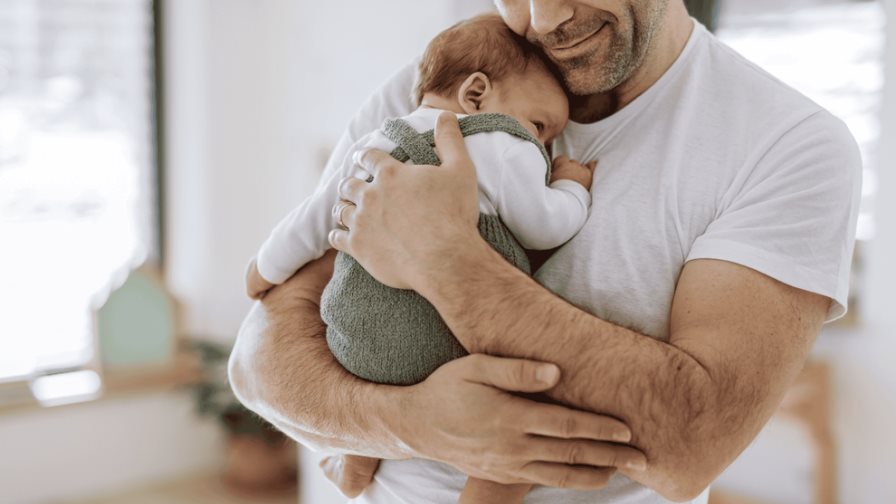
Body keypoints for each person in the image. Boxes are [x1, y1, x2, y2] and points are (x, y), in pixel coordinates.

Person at [229, 1, 862, 502]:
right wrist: (405, 420)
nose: (543, 19)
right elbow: (256, 364)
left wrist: (443, 257)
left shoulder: (788, 144)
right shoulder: (448, 80)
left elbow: (693, 446)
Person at [243, 14, 610, 503]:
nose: (543, 145)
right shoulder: (500, 142)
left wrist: (263, 269)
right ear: (476, 94)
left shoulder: (376, 141)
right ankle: (486, 491)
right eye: (541, 126)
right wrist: (571, 185)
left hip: (356, 340)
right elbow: (546, 224)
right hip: (445, 341)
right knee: (524, 400)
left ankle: (358, 455)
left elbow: (313, 221)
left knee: (375, 380)